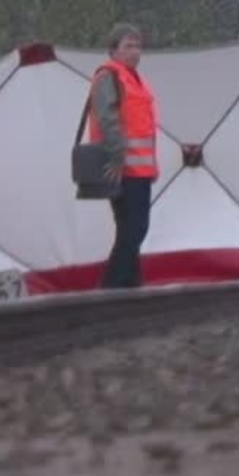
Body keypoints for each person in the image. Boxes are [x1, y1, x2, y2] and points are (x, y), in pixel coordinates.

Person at [88, 22, 158, 288]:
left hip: (137, 168)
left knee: (129, 228)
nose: (135, 51)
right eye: (128, 46)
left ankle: (129, 282)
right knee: (135, 228)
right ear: (113, 50)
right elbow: (107, 119)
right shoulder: (110, 77)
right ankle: (112, 286)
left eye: (138, 46)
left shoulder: (132, 78)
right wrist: (117, 156)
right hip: (121, 167)